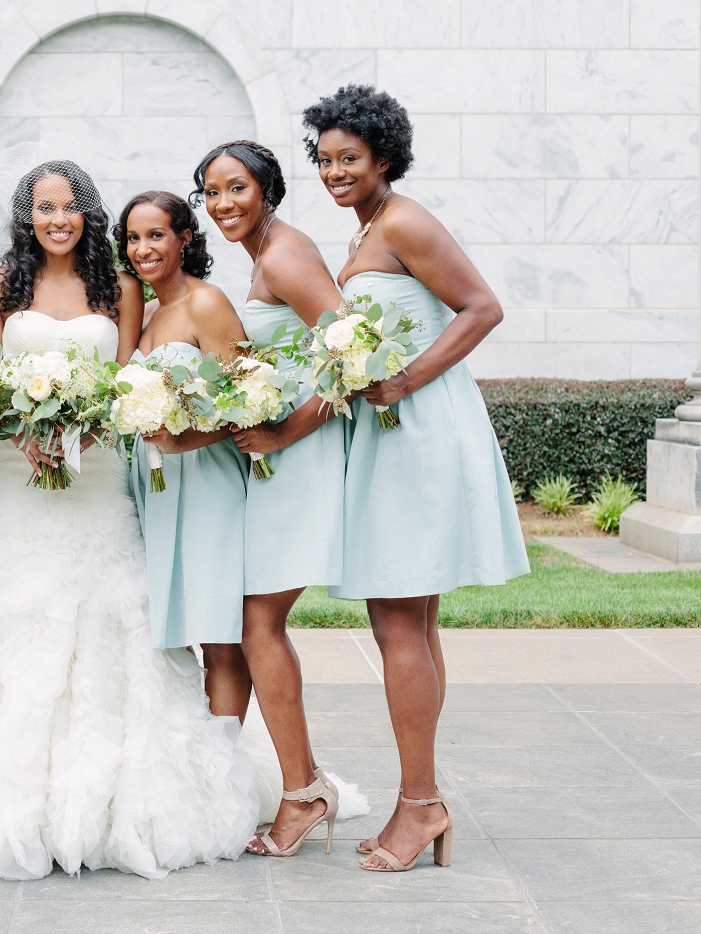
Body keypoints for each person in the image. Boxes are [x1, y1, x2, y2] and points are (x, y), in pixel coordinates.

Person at [0, 151, 260, 881]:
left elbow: (123, 378)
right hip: (17, 477)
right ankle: (0, 804)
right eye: (42, 208)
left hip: (98, 474)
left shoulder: (117, 285)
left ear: (87, 212)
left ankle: (116, 799)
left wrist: (80, 432)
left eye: (68, 206)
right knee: (7, 619)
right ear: (26, 217)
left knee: (108, 618)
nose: (56, 220)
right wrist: (28, 434)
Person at [306, 85, 528, 872]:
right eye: (325, 159)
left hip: (416, 438)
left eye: (349, 158)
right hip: (399, 441)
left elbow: (481, 308)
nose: (334, 171)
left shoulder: (402, 221)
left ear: (385, 158)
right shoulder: (372, 228)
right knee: (413, 624)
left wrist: (401, 383)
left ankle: (422, 805)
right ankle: (420, 800)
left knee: (399, 624)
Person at [193, 140, 351, 858]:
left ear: (268, 190)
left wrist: (287, 432)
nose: (223, 203)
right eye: (212, 192)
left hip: (301, 463)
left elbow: (357, 349)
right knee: (254, 623)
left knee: (259, 625)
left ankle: (303, 791)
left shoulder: (285, 254)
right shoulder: (263, 257)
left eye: (236, 188)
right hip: (275, 468)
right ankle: (292, 784)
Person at [114, 190, 251, 697]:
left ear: (184, 238)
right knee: (175, 627)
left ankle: (225, 764)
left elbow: (250, 401)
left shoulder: (206, 303)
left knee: (218, 633)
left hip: (206, 480)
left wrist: (184, 437)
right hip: (154, 485)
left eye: (155, 235)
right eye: (132, 237)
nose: (142, 248)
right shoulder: (146, 312)